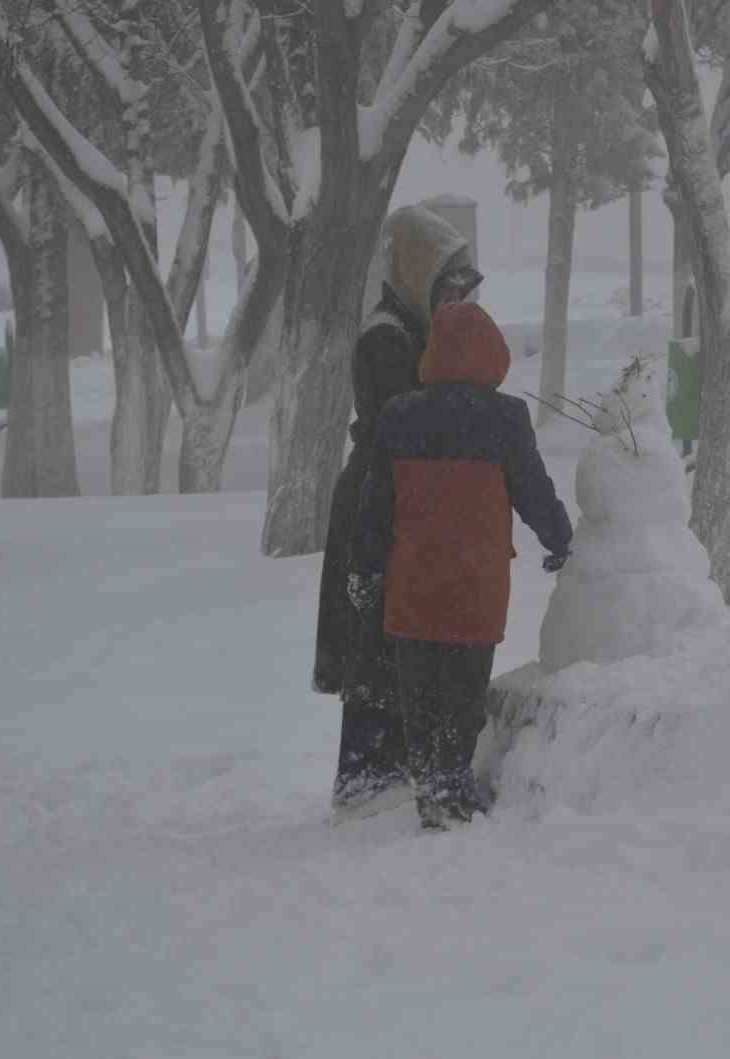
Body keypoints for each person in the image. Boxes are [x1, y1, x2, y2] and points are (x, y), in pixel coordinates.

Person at [348, 301, 573, 830]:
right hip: (476, 582)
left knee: (419, 688)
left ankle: (432, 783)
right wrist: (560, 538)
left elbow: (375, 502)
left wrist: (364, 567)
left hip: (413, 579)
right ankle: (451, 783)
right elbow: (533, 491)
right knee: (464, 689)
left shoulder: (400, 414)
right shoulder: (504, 418)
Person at [313, 205, 483, 822]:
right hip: (374, 496)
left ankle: (386, 772)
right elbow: (396, 428)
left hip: (398, 492)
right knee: (372, 636)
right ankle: (363, 778)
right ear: (417, 272)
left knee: (396, 630)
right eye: (445, 285)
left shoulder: (409, 324)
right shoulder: (387, 336)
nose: (452, 300)